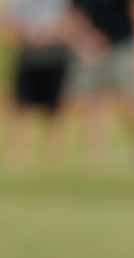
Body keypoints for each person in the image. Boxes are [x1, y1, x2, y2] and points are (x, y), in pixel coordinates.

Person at [68, 0, 134, 159]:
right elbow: (74, 14)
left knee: (131, 98)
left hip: (123, 45)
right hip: (93, 48)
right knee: (93, 101)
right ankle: (96, 152)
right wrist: (84, 39)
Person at [4, 0, 75, 164]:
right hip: (28, 56)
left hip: (54, 55)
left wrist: (50, 34)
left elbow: (70, 20)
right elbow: (9, 22)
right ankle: (17, 154)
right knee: (20, 108)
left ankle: (54, 156)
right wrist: (27, 35)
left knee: (55, 109)